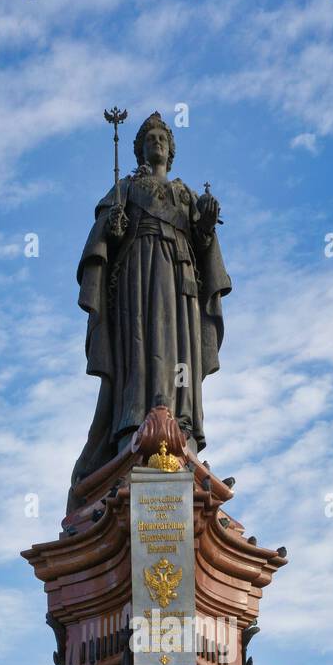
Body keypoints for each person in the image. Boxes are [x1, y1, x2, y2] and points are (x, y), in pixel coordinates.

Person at [70, 111, 231, 505]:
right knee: (143, 348)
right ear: (140, 147)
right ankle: (132, 425)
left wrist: (207, 227)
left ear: (170, 152)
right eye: (150, 138)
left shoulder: (184, 194)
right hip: (137, 278)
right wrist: (114, 228)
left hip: (180, 281)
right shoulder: (125, 188)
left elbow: (204, 245)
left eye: (163, 138)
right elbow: (103, 236)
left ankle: (182, 427)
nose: (156, 142)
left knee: (177, 352)